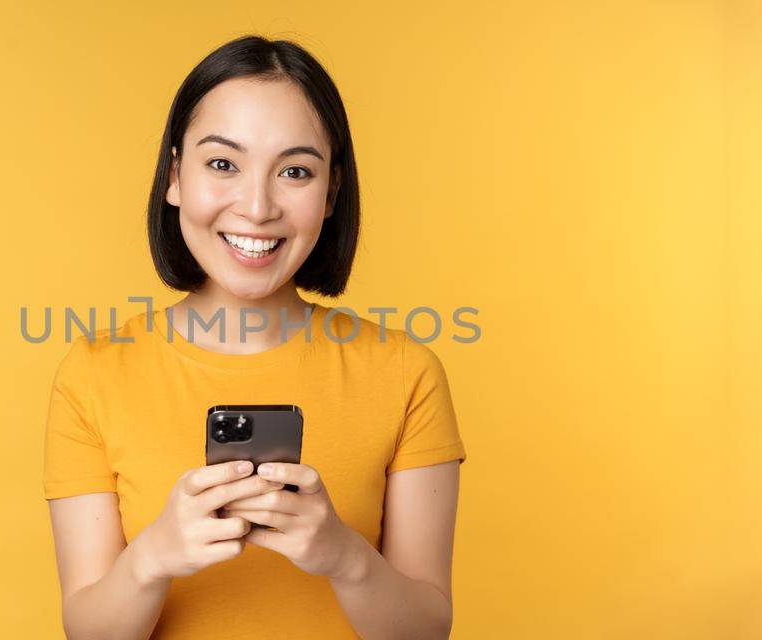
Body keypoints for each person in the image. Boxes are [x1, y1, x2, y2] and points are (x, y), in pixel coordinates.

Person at [43, 35, 465, 639]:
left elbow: (426, 632)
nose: (258, 206)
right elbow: (89, 633)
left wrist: (343, 556)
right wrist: (153, 557)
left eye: (295, 171)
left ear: (331, 193)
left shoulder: (405, 372)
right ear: (174, 177)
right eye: (222, 164)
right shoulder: (94, 374)